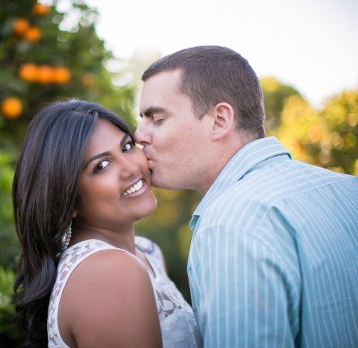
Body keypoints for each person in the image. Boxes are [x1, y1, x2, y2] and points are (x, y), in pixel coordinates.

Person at [134, 45, 358, 347]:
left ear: (220, 120)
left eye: (157, 119)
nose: (139, 135)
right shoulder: (348, 189)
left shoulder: (230, 223)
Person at [12, 99, 202, 347]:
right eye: (101, 166)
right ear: (68, 201)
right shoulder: (108, 271)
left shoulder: (147, 252)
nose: (131, 168)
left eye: (126, 147)